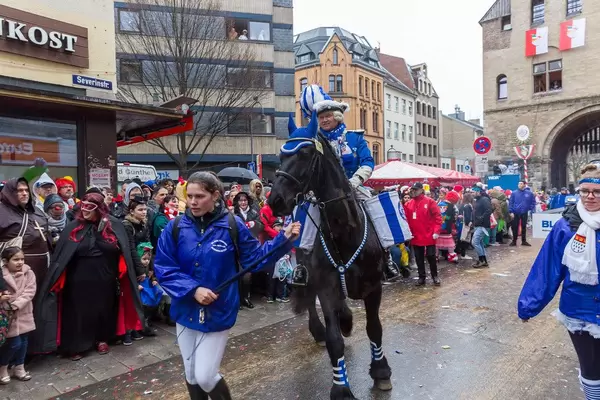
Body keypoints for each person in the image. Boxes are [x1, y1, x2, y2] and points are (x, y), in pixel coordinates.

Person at [154, 172, 300, 399]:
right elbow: (164, 267)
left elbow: (254, 259)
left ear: (215, 196)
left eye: (199, 196)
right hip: (185, 310)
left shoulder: (233, 225)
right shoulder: (175, 227)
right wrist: (193, 289)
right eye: (189, 196)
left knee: (205, 376)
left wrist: (283, 239)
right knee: (191, 375)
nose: (192, 202)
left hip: (218, 310)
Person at [518, 164, 600, 398]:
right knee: (591, 368)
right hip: (578, 310)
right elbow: (547, 268)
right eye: (585, 191)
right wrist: (528, 305)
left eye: (597, 192)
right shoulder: (566, 226)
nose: (590, 196)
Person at [32, 192, 145, 359]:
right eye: (82, 206)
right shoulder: (73, 227)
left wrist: (139, 269)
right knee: (78, 311)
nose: (84, 211)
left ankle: (101, 339)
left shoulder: (114, 225)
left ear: (99, 209)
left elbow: (125, 249)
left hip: (105, 277)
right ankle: (76, 345)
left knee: (103, 309)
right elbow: (63, 255)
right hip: (78, 279)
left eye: (90, 208)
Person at [297, 84, 374, 201]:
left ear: (337, 117)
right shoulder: (314, 142)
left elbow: (367, 162)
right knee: (302, 215)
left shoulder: (355, 137)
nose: (324, 120)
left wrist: (355, 181)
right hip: (321, 193)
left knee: (378, 213)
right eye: (321, 117)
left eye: (328, 116)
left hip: (353, 188)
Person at [0, 178, 51, 294]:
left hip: (41, 269)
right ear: (10, 193)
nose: (24, 193)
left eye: (26, 190)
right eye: (19, 190)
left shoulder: (37, 211)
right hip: (13, 271)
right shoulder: (1, 212)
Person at [0, 247, 36, 384]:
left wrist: (16, 304)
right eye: (16, 259)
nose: (20, 262)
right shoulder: (1, 275)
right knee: (13, 343)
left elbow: (30, 290)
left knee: (24, 342)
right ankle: (3, 367)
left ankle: (19, 367)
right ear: (5, 261)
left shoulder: (28, 273)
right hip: (7, 315)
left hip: (23, 312)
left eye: (22, 259)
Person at [122, 197, 152, 343]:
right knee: (130, 298)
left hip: (144, 262)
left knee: (141, 298)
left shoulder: (144, 223)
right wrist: (140, 270)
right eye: (140, 210)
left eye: (145, 209)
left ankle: (138, 326)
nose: (144, 212)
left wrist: (148, 267)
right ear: (132, 211)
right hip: (131, 266)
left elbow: (148, 244)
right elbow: (131, 249)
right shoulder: (127, 225)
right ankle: (128, 330)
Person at [404, 182, 443, 286]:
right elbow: (405, 219)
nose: (414, 191)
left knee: (431, 256)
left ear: (421, 190)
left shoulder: (430, 202)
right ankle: (422, 277)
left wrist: (436, 231)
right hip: (416, 235)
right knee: (418, 257)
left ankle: (435, 276)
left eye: (416, 189)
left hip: (429, 234)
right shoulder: (408, 204)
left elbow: (437, 218)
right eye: (413, 189)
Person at [233, 192, 264, 309]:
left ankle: (246, 297)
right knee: (237, 273)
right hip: (237, 246)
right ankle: (237, 299)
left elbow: (261, 226)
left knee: (247, 274)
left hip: (250, 246)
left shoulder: (254, 212)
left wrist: (254, 223)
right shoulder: (234, 213)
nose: (243, 202)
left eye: (245, 200)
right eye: (240, 200)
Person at [471, 186, 493, 268]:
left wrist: (481, 218)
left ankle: (481, 260)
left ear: (478, 191)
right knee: (479, 242)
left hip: (483, 225)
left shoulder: (484, 199)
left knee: (475, 242)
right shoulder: (477, 200)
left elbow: (489, 210)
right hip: (477, 225)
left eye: (473, 192)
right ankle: (484, 261)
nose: (472, 193)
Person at [509, 181, 536, 247]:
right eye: (518, 183)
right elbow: (511, 202)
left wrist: (529, 208)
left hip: (524, 212)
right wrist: (511, 211)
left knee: (524, 226)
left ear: (524, 184)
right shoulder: (514, 193)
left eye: (521, 183)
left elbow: (533, 202)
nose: (519, 185)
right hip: (516, 212)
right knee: (515, 227)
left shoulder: (529, 193)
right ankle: (514, 241)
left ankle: (524, 241)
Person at [456, 193, 474, 260]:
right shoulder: (468, 206)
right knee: (465, 239)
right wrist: (470, 224)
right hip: (465, 225)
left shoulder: (461, 205)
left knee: (461, 239)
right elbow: (468, 217)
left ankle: (459, 252)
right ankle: (463, 254)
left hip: (460, 224)